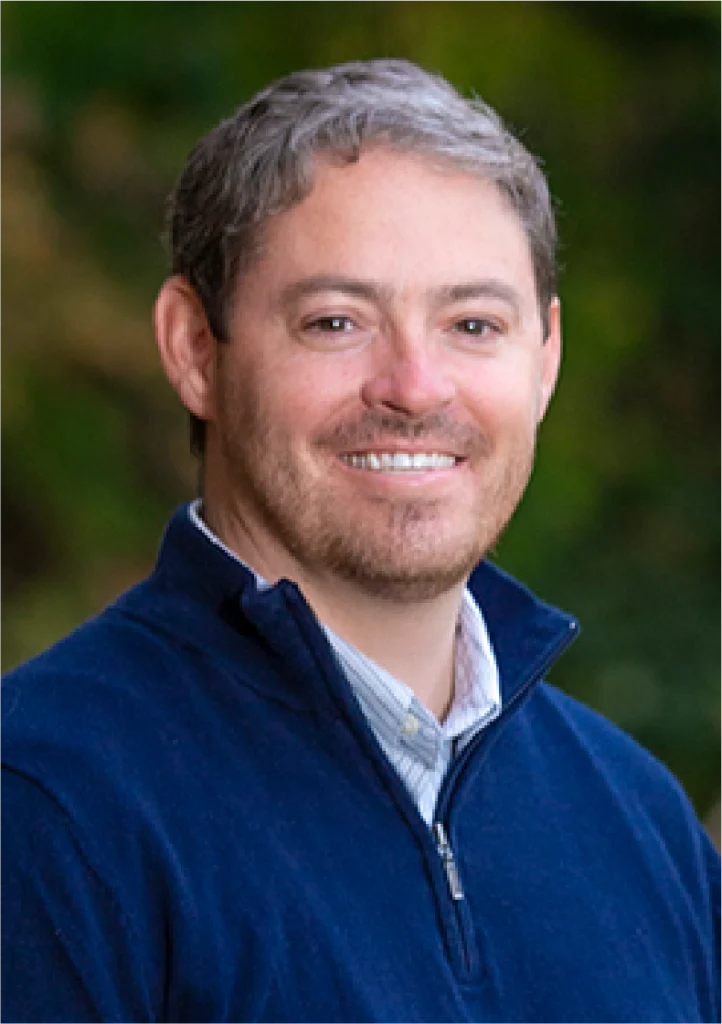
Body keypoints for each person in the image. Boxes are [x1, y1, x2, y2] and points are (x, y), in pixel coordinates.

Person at [0, 58, 720, 1023]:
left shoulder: (643, 824)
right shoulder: (46, 804)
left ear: (544, 360)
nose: (416, 386)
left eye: (473, 322)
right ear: (193, 349)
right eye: (336, 321)